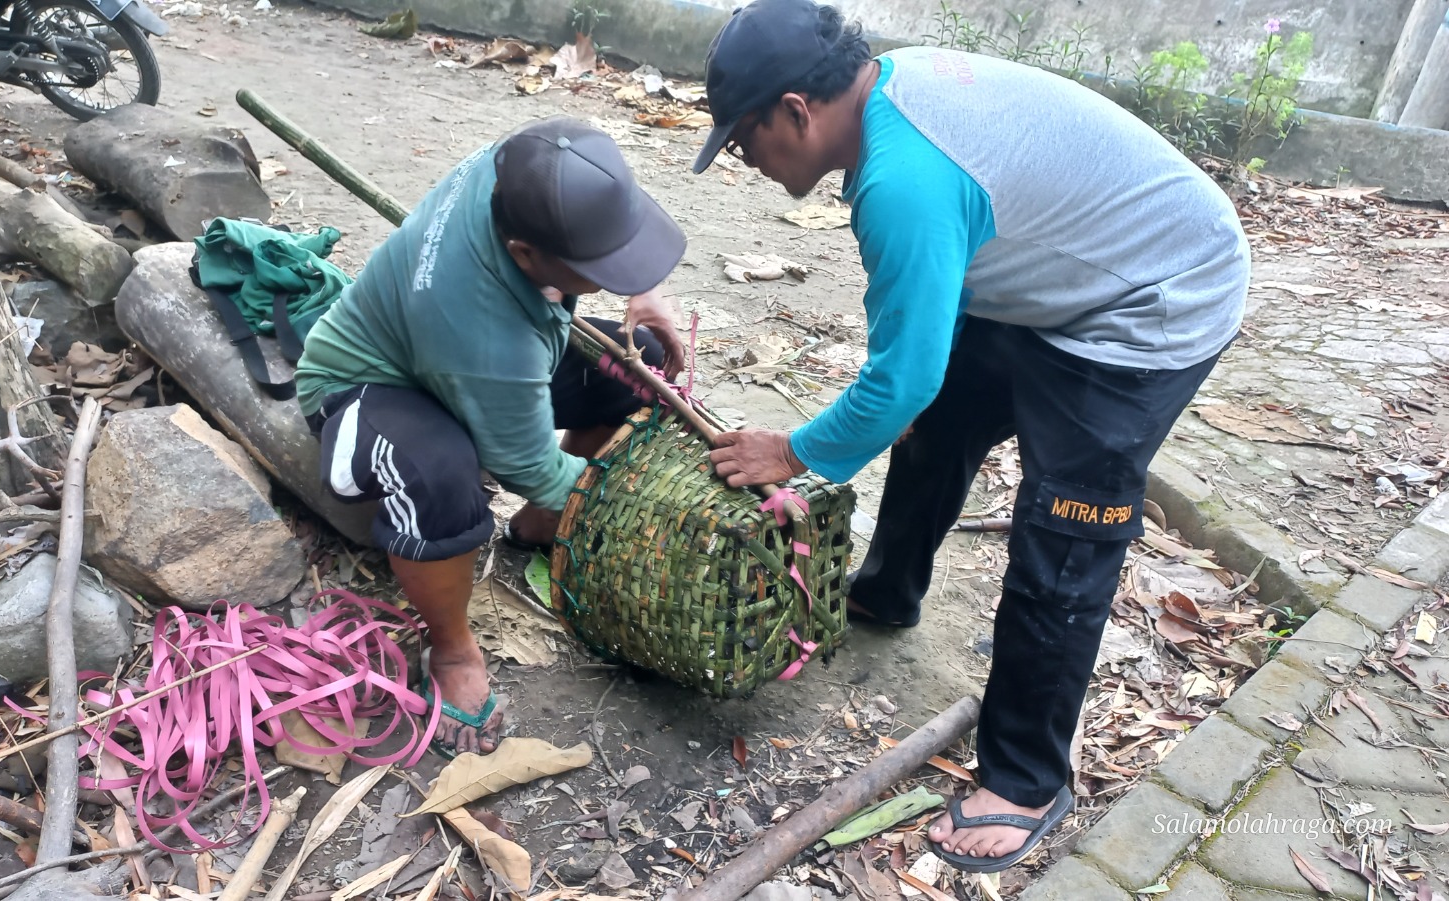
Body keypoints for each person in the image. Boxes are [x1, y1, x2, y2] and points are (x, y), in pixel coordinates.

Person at [695, 0, 1249, 872]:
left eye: (744, 138)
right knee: (935, 419)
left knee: (1065, 530)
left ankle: (1028, 778)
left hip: (1153, 294)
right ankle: (887, 589)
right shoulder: (890, 97)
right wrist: (908, 392)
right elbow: (923, 349)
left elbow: (897, 373)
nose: (744, 160)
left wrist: (795, 450)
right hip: (1060, 272)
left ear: (797, 111)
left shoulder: (900, 181)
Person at [296, 117, 687, 758]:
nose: (616, 274)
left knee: (637, 367)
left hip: (467, 356)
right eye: (603, 267)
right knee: (440, 479)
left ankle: (538, 528)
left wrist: (644, 291)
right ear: (526, 254)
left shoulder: (526, 162)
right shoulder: (482, 331)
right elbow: (524, 461)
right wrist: (639, 518)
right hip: (372, 384)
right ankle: (450, 646)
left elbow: (600, 214)